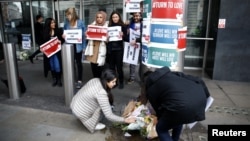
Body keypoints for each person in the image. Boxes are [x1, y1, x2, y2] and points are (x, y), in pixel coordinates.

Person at [139, 66, 210, 141]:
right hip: (200, 100)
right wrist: (207, 95)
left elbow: (159, 111)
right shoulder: (173, 74)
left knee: (161, 128)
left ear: (145, 82)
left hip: (181, 106)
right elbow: (198, 80)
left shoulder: (151, 89)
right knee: (177, 118)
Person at [70, 68, 136, 133]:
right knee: (102, 110)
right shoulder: (101, 93)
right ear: (106, 81)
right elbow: (109, 115)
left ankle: (83, 117)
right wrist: (125, 120)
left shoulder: (95, 80)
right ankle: (92, 124)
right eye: (113, 82)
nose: (115, 83)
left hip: (74, 105)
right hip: (80, 112)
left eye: (115, 81)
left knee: (104, 105)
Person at [63, 7, 86, 89]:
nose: (67, 17)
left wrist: (84, 47)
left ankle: (79, 80)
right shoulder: (66, 23)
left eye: (68, 15)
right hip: (69, 46)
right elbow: (64, 33)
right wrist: (64, 36)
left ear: (72, 14)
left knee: (79, 63)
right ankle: (72, 79)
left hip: (78, 47)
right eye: (66, 15)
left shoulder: (80, 23)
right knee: (71, 63)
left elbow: (84, 37)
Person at [107, 11, 127, 89]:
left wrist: (123, 35)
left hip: (119, 49)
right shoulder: (109, 26)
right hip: (111, 49)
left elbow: (126, 38)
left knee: (119, 67)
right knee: (112, 68)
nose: (115, 18)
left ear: (119, 17)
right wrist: (107, 38)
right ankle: (114, 82)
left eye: (116, 17)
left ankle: (121, 81)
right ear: (111, 18)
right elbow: (106, 40)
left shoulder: (122, 26)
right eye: (113, 17)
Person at [85, 11, 108, 78]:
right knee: (94, 69)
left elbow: (108, 41)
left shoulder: (107, 27)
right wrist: (86, 34)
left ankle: (100, 84)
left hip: (101, 50)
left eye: (101, 17)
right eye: (97, 17)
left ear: (104, 18)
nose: (99, 19)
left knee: (100, 70)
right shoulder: (92, 26)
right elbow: (87, 38)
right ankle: (95, 82)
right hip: (93, 50)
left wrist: (106, 37)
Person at [43, 18, 64, 87]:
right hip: (49, 53)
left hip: (57, 52)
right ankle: (54, 79)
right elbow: (43, 42)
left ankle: (59, 79)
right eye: (52, 23)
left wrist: (61, 41)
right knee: (52, 66)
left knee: (57, 65)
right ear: (48, 24)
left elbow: (62, 40)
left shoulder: (58, 30)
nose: (54, 24)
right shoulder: (45, 32)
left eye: (54, 22)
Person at [125, 12, 143, 84]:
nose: (136, 17)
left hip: (141, 44)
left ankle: (142, 78)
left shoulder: (144, 23)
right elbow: (126, 35)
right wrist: (127, 30)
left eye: (138, 16)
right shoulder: (129, 23)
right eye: (135, 16)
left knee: (142, 62)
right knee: (132, 61)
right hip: (132, 44)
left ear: (140, 16)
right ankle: (132, 77)